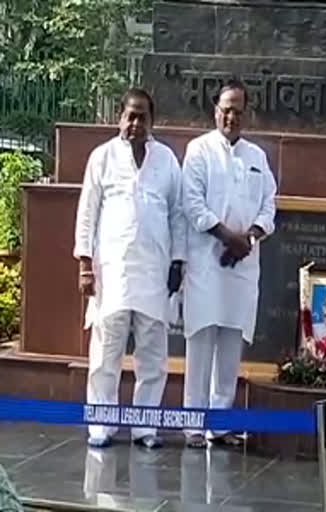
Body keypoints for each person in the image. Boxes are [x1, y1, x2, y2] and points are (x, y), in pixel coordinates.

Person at [73, 88, 185, 449]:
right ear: (120, 117)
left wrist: (177, 261)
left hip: (154, 271)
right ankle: (101, 426)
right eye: (130, 116)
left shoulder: (166, 159)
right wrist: (85, 265)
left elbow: (178, 214)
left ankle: (144, 426)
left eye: (143, 117)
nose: (135, 123)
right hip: (113, 271)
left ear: (152, 121)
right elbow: (87, 213)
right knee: (106, 353)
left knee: (152, 355)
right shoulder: (102, 157)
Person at [181, 78, 277, 449]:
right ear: (215, 111)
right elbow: (193, 204)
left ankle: (219, 425)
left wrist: (249, 237)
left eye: (238, 110)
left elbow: (270, 205)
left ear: (246, 113)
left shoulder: (257, 157)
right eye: (226, 109)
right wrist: (227, 237)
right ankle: (192, 425)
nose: (232, 116)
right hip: (207, 262)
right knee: (201, 345)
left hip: (243, 265)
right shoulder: (199, 150)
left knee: (231, 347)